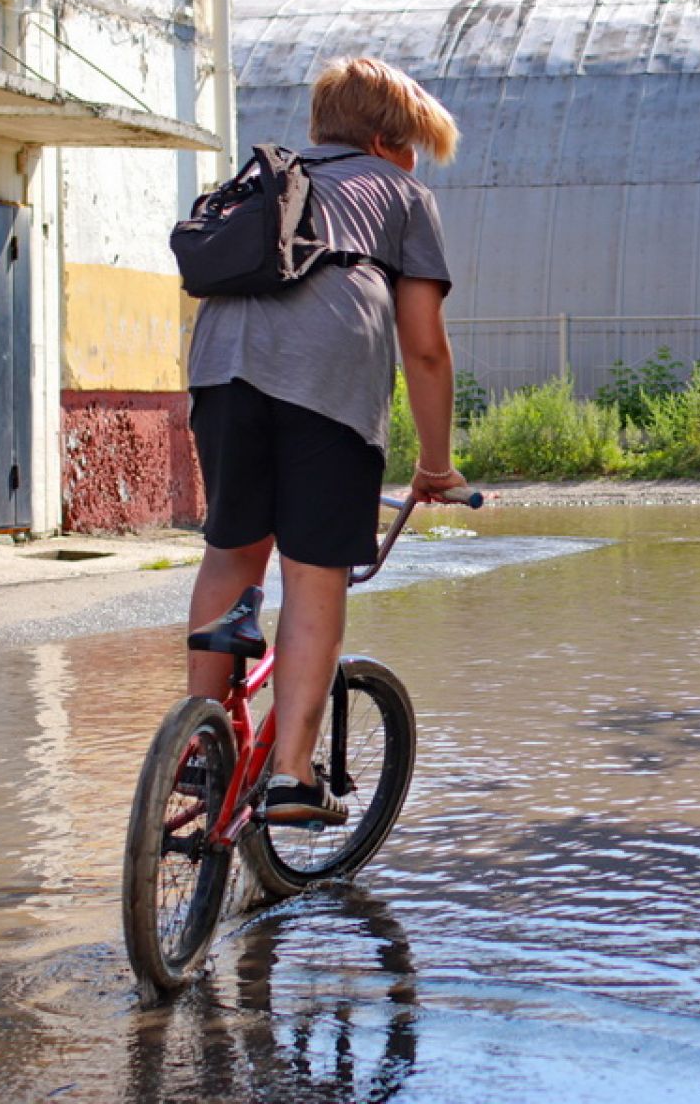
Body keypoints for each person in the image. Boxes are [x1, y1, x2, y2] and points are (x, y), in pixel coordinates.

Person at [184, 57, 469, 827]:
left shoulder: (262, 179)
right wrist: (435, 467)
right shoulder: (402, 195)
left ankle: (193, 746)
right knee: (314, 579)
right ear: (385, 141)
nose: (416, 164)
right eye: (412, 147)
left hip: (219, 373)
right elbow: (426, 350)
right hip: (324, 386)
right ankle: (292, 777)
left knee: (235, 551)